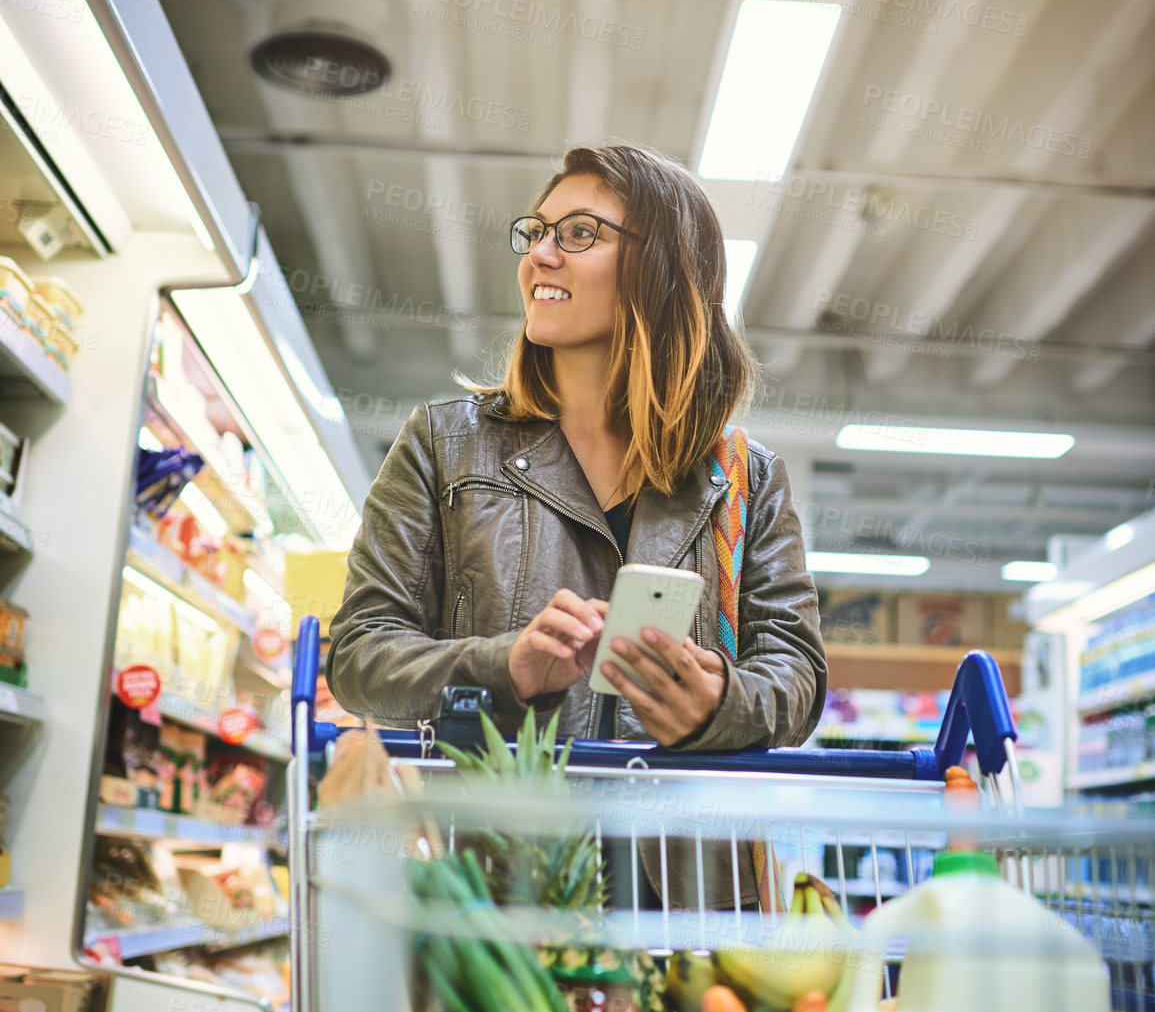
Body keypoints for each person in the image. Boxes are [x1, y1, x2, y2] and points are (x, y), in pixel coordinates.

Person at [327, 144, 826, 899]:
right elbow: (360, 654)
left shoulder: (743, 480)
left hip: (682, 903)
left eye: (579, 234)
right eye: (536, 233)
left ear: (661, 269)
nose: (540, 257)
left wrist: (719, 702)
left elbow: (796, 672)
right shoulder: (443, 444)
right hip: (494, 890)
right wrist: (505, 668)